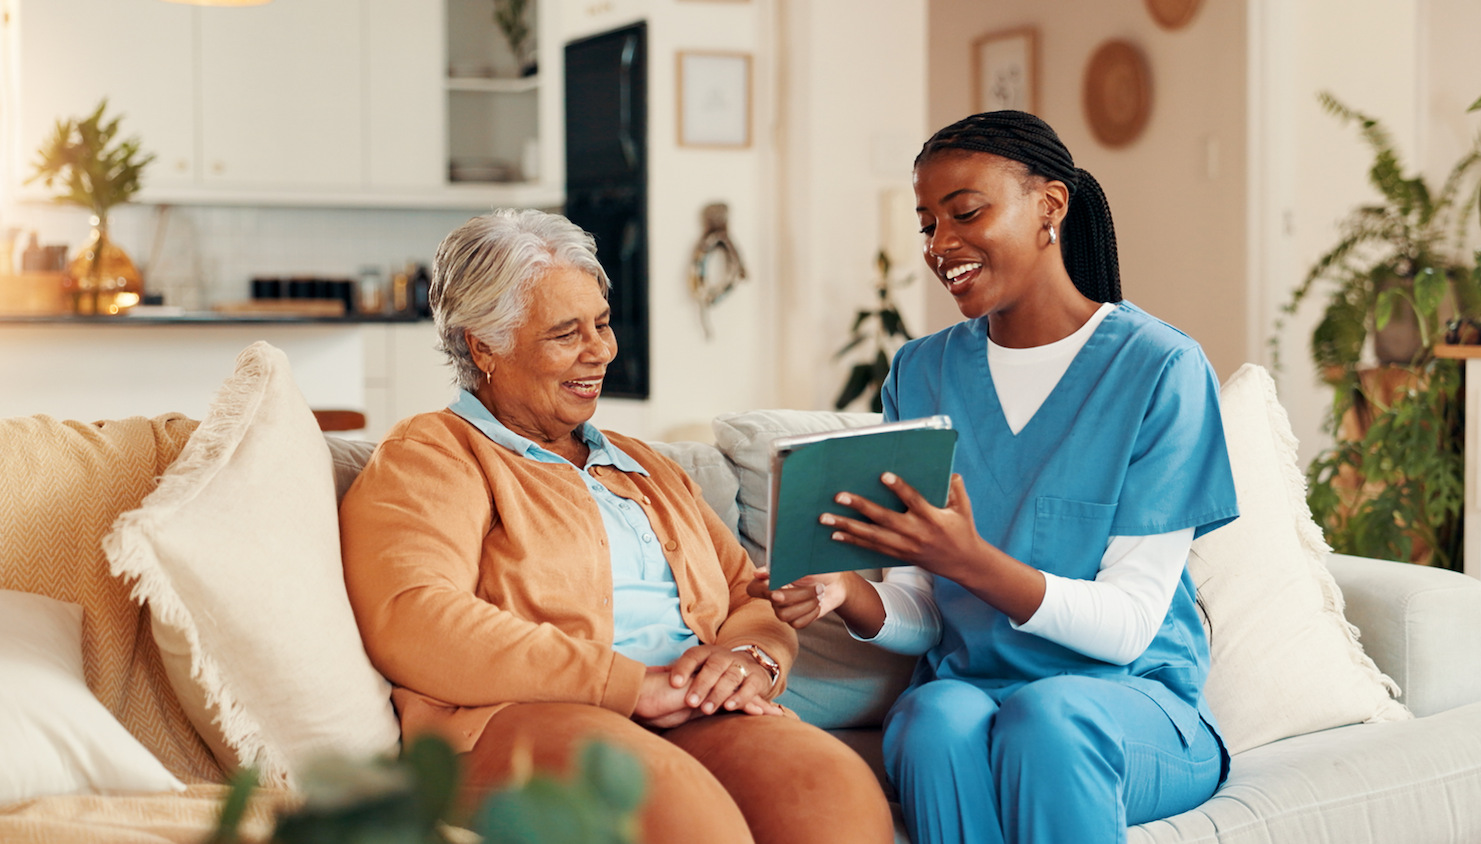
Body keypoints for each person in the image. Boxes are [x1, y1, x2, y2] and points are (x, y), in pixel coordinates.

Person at [752, 111, 1240, 844]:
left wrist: (970, 561)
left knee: (1046, 719)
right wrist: (846, 593)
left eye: (965, 213)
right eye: (927, 225)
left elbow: (1130, 625)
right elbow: (924, 604)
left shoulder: (1160, 369)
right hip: (974, 692)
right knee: (930, 718)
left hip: (1126, 704)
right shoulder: (920, 372)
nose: (940, 245)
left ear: (1049, 207)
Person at [340, 209, 891, 844]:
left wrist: (751, 658)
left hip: (689, 704)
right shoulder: (436, 451)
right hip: (520, 716)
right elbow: (413, 616)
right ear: (483, 345)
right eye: (565, 333)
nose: (600, 350)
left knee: (833, 795)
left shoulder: (643, 465)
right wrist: (629, 686)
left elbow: (749, 594)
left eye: (601, 324)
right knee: (688, 821)